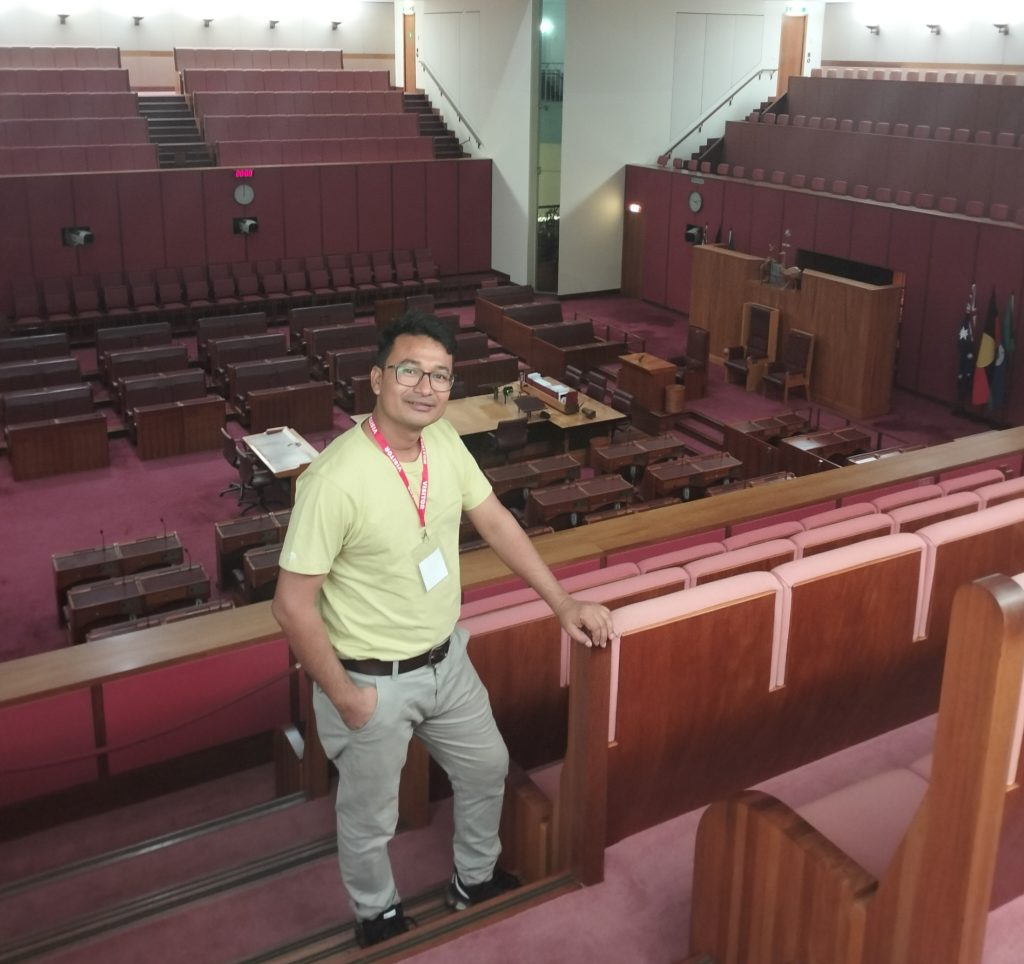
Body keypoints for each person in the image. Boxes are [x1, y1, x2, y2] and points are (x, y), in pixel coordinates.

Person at [271, 312, 616, 948]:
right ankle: (376, 914)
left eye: (440, 376)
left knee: (486, 769)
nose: (425, 387)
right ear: (377, 379)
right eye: (410, 371)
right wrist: (346, 697)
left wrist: (562, 603)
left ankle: (473, 880)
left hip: (446, 662)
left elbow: (498, 523)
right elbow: (291, 605)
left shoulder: (445, 442)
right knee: (370, 818)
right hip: (370, 679)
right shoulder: (335, 479)